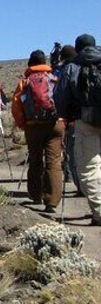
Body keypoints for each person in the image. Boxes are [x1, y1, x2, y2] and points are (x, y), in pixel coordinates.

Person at [54, 34, 101, 225]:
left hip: (86, 121)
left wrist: (67, 114)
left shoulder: (72, 67)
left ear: (77, 47)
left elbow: (60, 96)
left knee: (89, 168)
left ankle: (99, 212)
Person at [11, 50, 62, 213]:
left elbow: (16, 106)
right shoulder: (55, 79)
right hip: (55, 124)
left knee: (35, 159)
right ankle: (52, 201)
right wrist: (64, 121)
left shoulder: (24, 83)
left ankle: (36, 194)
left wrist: (23, 124)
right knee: (53, 160)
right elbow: (64, 100)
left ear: (30, 63)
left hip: (33, 125)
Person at [58, 45, 81, 194]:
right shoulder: (86, 66)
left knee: (73, 151)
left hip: (74, 119)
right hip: (94, 116)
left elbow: (61, 95)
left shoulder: (68, 69)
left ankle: (79, 185)